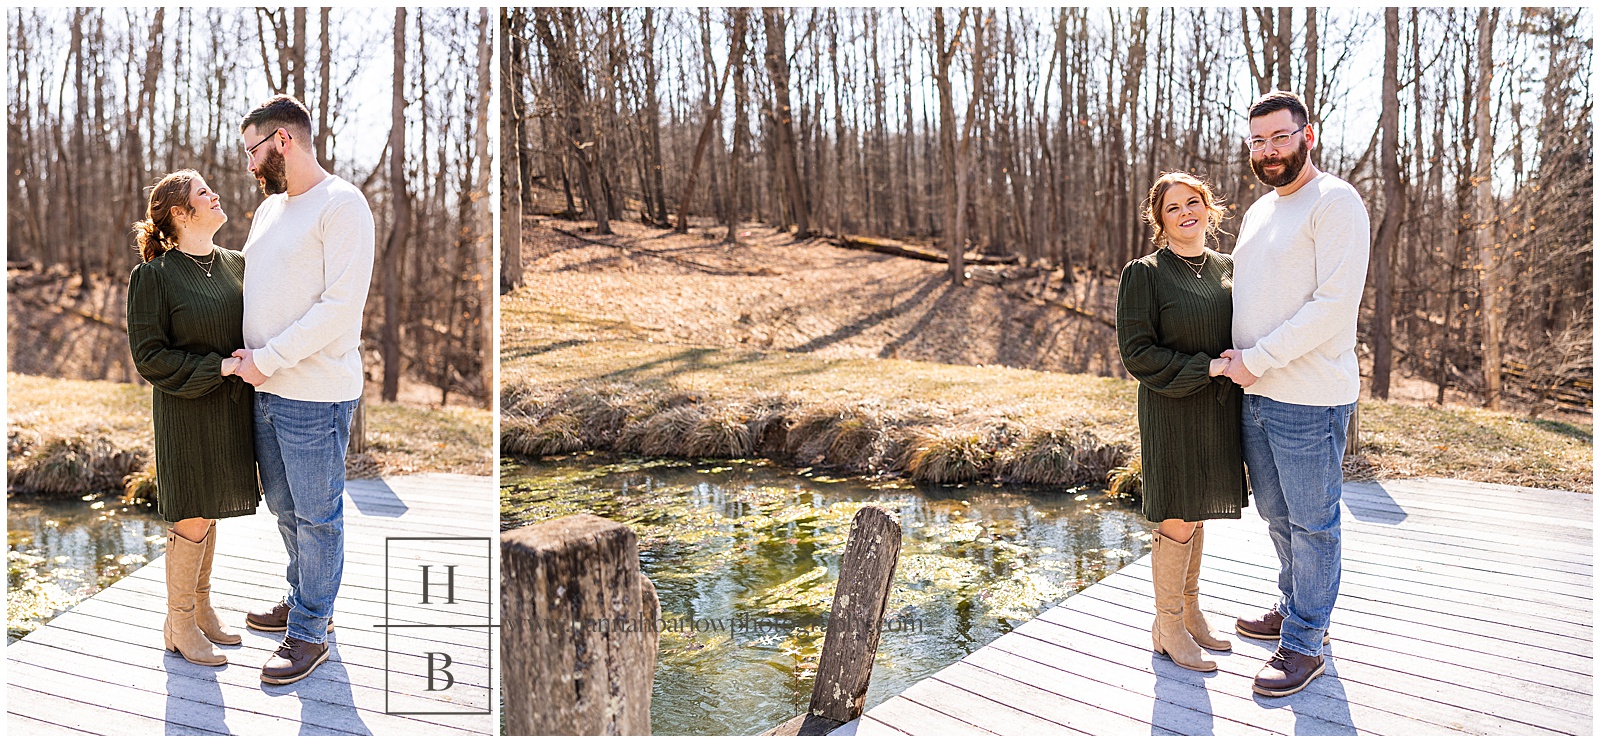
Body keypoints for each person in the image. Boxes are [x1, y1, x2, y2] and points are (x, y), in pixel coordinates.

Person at [1222, 91, 1370, 697]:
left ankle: (1306, 641)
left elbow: (1333, 309)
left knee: (1313, 523)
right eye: (1258, 141)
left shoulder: (1334, 202)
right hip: (1254, 391)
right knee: (1276, 515)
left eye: (1280, 137)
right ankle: (1296, 606)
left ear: (1307, 136)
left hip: (1307, 396)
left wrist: (1257, 360)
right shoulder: (1260, 211)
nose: (1268, 150)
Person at [231, 94, 375, 686]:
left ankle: (311, 629)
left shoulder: (342, 206)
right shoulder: (270, 211)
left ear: (283, 141)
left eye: (253, 151)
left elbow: (340, 310)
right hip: (265, 386)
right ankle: (304, 598)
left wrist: (270, 358)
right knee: (286, 509)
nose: (249, 165)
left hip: (314, 393)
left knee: (318, 517)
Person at [1117, 172, 1249, 673]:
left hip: (1216, 411)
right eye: (1173, 208)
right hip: (1171, 408)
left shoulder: (1227, 268)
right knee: (1177, 510)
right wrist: (1208, 366)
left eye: (1193, 202)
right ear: (1160, 220)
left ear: (1209, 208)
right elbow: (1137, 353)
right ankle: (1167, 623)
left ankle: (1189, 612)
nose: (1186, 212)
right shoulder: (1145, 273)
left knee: (1196, 511)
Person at [126, 170, 259, 667]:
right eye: (204, 192)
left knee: (210, 507)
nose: (215, 194)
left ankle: (201, 608)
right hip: (185, 410)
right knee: (193, 511)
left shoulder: (237, 265)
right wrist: (219, 366)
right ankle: (178, 622)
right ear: (180, 214)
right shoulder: (154, 277)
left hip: (230, 410)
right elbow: (148, 357)